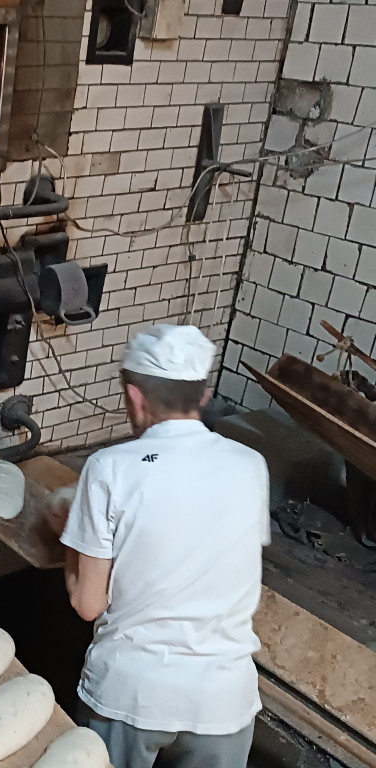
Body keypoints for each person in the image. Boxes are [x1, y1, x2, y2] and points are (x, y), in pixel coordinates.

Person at [45, 324, 270, 768]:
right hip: (222, 700)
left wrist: (73, 538)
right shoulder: (251, 466)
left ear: (134, 396)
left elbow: (88, 603)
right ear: (203, 396)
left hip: (132, 694)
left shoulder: (109, 468)